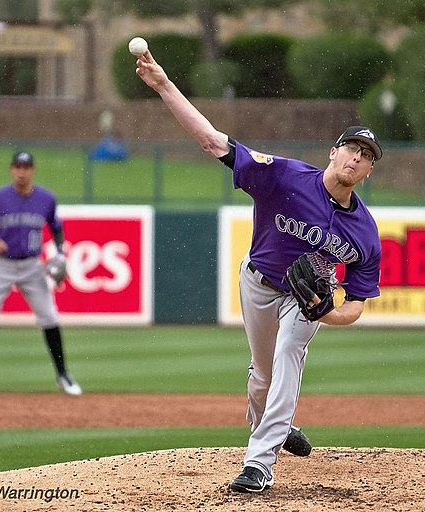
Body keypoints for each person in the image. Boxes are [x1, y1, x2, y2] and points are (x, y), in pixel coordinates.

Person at [136, 50, 381, 493]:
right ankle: (278, 424)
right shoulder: (284, 177)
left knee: (290, 353)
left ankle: (259, 462)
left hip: (305, 300)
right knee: (262, 376)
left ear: (368, 170)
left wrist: (327, 312)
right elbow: (213, 142)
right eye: (351, 148)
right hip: (258, 282)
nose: (356, 158)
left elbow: (357, 304)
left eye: (366, 156)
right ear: (333, 152)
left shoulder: (365, 232)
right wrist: (163, 85)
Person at [0, 151, 82, 397]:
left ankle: (63, 375)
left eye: (26, 167)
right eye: (18, 167)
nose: (22, 172)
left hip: (31, 264)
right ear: (11, 169)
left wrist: (59, 253)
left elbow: (57, 228)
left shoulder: (46, 199)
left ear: (32, 170)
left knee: (49, 316)